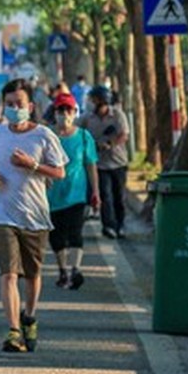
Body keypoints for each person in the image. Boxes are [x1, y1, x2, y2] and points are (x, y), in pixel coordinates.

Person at [0, 78, 67, 353]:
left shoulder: (43, 136)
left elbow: (59, 171)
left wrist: (33, 164)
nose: (14, 108)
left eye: (19, 104)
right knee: (8, 274)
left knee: (32, 274)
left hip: (35, 215)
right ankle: (14, 329)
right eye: (9, 104)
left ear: (30, 105)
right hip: (2, 213)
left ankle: (29, 316)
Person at [46, 92, 99, 290]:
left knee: (75, 231)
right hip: (52, 195)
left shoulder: (84, 137)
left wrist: (96, 192)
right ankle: (62, 270)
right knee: (57, 236)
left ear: (74, 112)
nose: (65, 114)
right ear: (55, 112)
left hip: (77, 194)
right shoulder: (47, 136)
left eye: (69, 110)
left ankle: (76, 269)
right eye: (61, 110)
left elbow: (91, 165)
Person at [80, 85, 130, 239]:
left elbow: (124, 135)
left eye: (93, 99)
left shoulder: (118, 115)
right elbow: (76, 130)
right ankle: (109, 226)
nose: (90, 102)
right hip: (99, 164)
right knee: (105, 196)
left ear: (102, 101)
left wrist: (110, 144)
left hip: (118, 162)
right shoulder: (87, 118)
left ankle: (121, 225)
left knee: (119, 196)